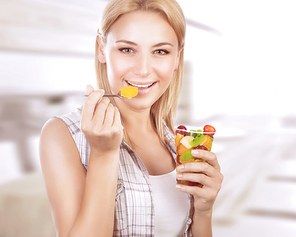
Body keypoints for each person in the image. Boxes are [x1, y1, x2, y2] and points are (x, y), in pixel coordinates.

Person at [39, 0, 223, 236]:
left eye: (160, 51)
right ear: (101, 49)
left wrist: (204, 210)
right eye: (127, 49)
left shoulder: (175, 142)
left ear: (177, 57)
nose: (143, 69)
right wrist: (104, 155)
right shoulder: (63, 134)